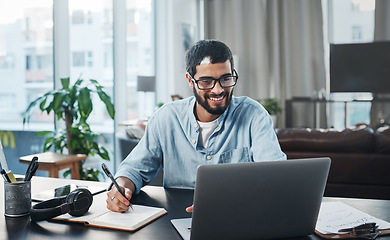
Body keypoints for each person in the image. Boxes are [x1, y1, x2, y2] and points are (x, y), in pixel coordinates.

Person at [106, 39, 286, 213]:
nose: (218, 90)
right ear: (190, 80)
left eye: (225, 78)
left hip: (239, 218)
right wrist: (121, 188)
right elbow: (132, 170)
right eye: (206, 82)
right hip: (177, 220)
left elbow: (276, 178)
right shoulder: (166, 118)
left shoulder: (254, 115)